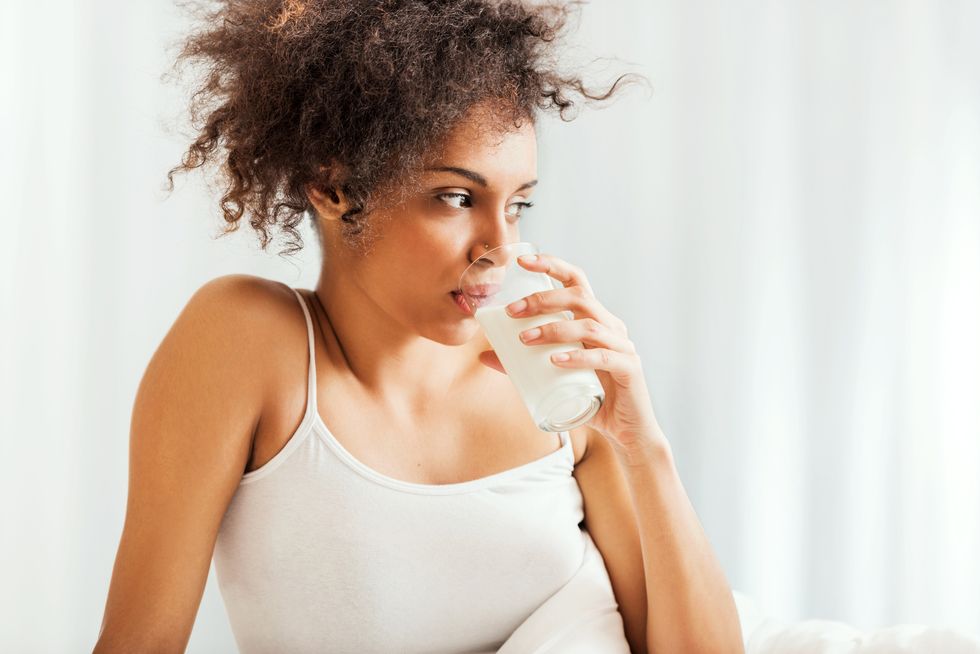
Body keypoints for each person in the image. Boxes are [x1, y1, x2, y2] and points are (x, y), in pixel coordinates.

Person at [93, 1, 744, 652]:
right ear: (332, 185)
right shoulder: (249, 344)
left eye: (518, 205)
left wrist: (643, 445)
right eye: (457, 198)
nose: (500, 246)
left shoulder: (550, 384)